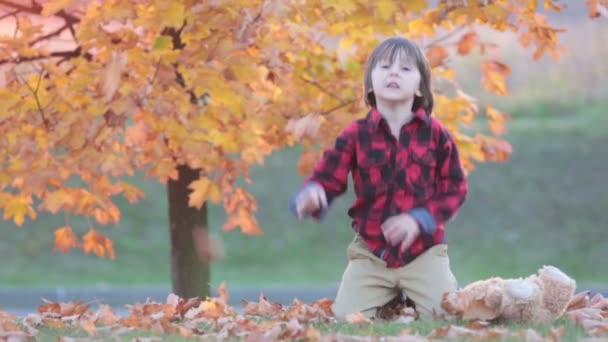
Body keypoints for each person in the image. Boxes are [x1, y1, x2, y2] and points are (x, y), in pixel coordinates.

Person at [289, 36, 468, 321]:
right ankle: (387, 300)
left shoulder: (436, 135)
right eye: (384, 66)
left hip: (425, 252)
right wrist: (313, 193)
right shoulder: (355, 134)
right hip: (372, 254)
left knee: (446, 316)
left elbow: (454, 188)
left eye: (405, 69)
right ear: (370, 83)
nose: (394, 73)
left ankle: (408, 296)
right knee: (348, 319)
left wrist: (419, 218)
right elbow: (328, 175)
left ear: (420, 87)